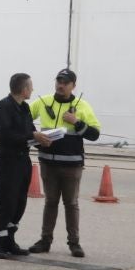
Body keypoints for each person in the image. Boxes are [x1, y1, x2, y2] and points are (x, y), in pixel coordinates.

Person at [28, 68, 101, 257]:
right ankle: (45, 240)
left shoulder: (82, 106)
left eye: (65, 82)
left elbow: (95, 134)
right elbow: (23, 118)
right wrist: (35, 136)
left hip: (72, 165)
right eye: (58, 81)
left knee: (71, 203)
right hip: (47, 164)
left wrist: (76, 122)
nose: (60, 85)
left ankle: (74, 243)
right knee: (50, 202)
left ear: (73, 86)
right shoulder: (43, 102)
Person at [0, 72, 38, 258]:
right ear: (24, 89)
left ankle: (8, 241)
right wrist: (32, 137)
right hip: (8, 162)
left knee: (19, 203)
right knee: (6, 202)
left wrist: (40, 137)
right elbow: (5, 136)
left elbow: (30, 130)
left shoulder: (25, 108)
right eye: (30, 86)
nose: (32, 90)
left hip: (23, 161)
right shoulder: (3, 107)